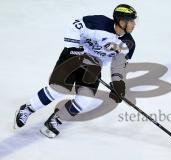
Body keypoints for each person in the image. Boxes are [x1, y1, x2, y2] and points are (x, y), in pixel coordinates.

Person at [14, 4, 137, 138]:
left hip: (94, 66)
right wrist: (73, 49)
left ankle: (55, 120)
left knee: (85, 98)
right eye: (131, 21)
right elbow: (75, 25)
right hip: (74, 56)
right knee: (58, 89)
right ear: (121, 21)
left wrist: (118, 83)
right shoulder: (99, 23)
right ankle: (27, 109)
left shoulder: (128, 44)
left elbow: (118, 65)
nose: (134, 24)